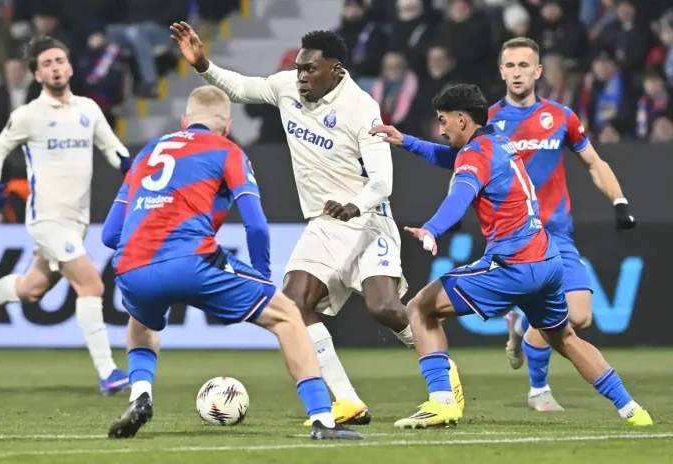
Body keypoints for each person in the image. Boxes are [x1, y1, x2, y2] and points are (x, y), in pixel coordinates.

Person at [170, 21, 421, 426]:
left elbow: (382, 182)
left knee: (386, 310)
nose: (301, 76)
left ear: (335, 70)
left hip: (367, 220)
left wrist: (355, 205)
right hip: (324, 222)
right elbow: (241, 88)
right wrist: (203, 64)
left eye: (310, 69)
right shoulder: (288, 87)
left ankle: (443, 376)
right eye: (299, 68)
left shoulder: (362, 108)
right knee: (293, 304)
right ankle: (348, 401)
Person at [371, 37, 637, 412]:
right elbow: (459, 162)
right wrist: (408, 143)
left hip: (541, 241)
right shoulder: (490, 125)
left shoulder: (559, 117)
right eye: (510, 66)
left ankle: (457, 386)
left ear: (537, 71)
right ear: (501, 71)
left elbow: (592, 162)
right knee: (562, 331)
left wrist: (619, 201)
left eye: (523, 65)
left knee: (575, 316)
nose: (516, 73)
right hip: (531, 244)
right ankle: (586, 399)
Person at [102, 85, 362, 441]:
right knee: (288, 316)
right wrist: (263, 279)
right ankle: (322, 420)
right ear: (226, 126)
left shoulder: (147, 152)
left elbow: (109, 234)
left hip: (132, 267)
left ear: (184, 121)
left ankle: (140, 396)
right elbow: (256, 225)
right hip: (192, 260)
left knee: (141, 321)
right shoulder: (227, 150)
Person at [0, 36, 131, 395]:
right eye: (46, 64)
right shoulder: (29, 115)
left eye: (59, 61)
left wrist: (135, 169)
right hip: (46, 220)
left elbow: (114, 150)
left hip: (77, 222)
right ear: (37, 74)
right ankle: (108, 372)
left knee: (30, 289)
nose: (55, 68)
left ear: (70, 67)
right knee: (92, 285)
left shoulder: (88, 110)